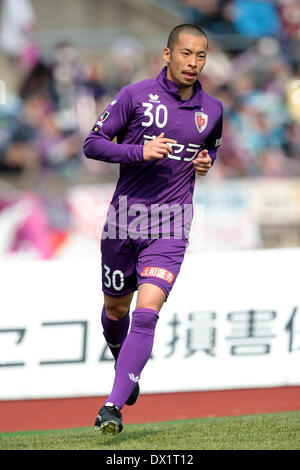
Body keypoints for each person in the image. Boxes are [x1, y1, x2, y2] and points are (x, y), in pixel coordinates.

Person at [83, 24, 223, 435]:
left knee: (146, 314)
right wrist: (138, 151)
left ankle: (112, 406)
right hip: (124, 220)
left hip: (171, 224)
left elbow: (210, 146)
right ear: (167, 54)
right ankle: (119, 354)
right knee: (115, 310)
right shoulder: (134, 96)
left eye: (200, 56)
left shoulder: (211, 109)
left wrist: (205, 161)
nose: (193, 63)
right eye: (186, 54)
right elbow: (92, 143)